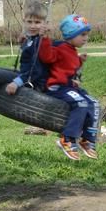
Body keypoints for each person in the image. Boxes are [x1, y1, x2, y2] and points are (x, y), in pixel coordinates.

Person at [37, 13, 101, 160]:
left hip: (70, 87)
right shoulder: (59, 48)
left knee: (95, 103)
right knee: (81, 103)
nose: (86, 38)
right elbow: (47, 57)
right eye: (82, 34)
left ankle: (87, 139)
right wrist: (44, 38)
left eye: (87, 34)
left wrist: (80, 61)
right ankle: (67, 139)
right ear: (71, 34)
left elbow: (67, 65)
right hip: (57, 88)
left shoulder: (72, 50)